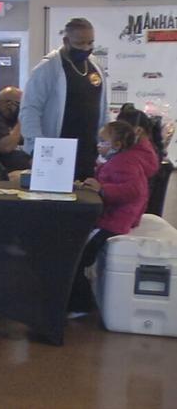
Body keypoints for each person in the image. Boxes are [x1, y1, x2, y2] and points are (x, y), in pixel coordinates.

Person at [70, 121, 159, 316]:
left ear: (117, 145)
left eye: (103, 141)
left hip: (113, 221)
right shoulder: (120, 161)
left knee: (78, 257)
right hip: (114, 218)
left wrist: (102, 189)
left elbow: (133, 191)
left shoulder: (124, 162)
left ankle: (80, 304)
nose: (99, 144)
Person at [21, 18, 108, 180]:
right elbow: (30, 110)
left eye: (90, 43)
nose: (86, 48)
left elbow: (102, 108)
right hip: (56, 151)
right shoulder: (47, 68)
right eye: (80, 43)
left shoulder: (95, 66)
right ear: (66, 41)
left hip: (88, 150)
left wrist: (106, 142)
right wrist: (36, 149)